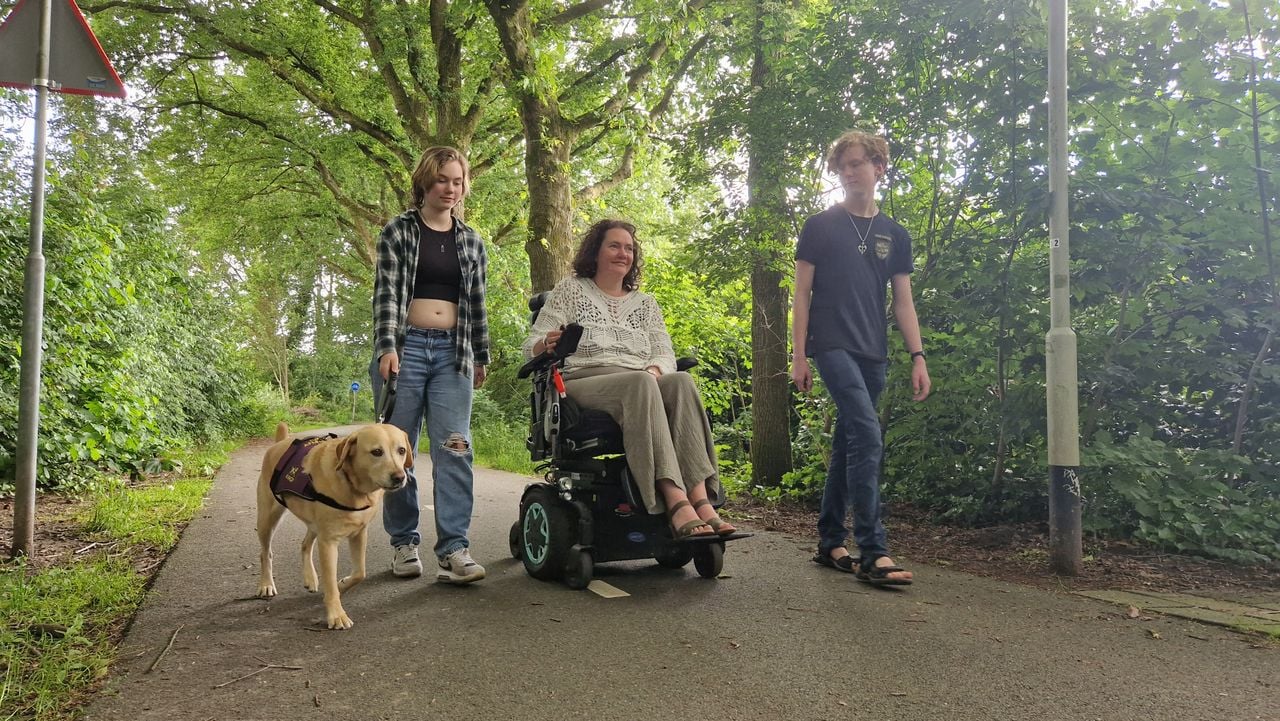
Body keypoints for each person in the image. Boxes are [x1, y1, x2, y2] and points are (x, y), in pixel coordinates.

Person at [523, 219, 735, 538]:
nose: (623, 253)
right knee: (641, 383)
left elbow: (664, 353)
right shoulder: (571, 290)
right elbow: (531, 346)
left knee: (680, 382)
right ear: (595, 252)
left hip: (640, 382)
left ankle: (701, 499)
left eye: (629, 248)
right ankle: (674, 499)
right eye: (614, 245)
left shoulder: (646, 304)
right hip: (585, 382)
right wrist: (546, 343)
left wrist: (653, 371)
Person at [791, 130, 931, 585]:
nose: (850, 172)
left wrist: (918, 355)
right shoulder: (820, 226)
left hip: (874, 352)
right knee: (868, 436)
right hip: (831, 344)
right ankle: (874, 551)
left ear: (878, 168)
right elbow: (802, 294)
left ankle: (830, 541)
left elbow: (903, 302)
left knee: (847, 442)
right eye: (843, 166)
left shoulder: (895, 234)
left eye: (857, 164)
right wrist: (799, 355)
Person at [370, 146, 490, 585]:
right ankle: (404, 543)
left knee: (455, 447)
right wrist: (387, 348)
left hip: (454, 352)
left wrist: (481, 353)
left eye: (458, 181)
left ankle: (455, 549)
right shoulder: (398, 231)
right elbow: (386, 294)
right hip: (406, 349)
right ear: (425, 181)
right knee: (396, 454)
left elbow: (477, 302)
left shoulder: (472, 241)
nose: (450, 189)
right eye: (443, 180)